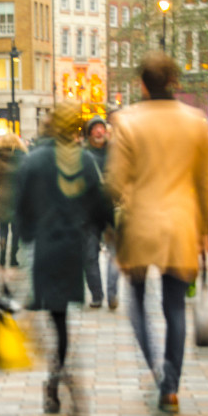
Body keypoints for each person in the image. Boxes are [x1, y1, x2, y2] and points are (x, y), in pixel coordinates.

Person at [106, 52, 208, 414]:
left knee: (136, 300)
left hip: (140, 223)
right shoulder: (196, 122)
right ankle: (171, 385)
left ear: (141, 84)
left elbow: (117, 181)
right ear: (174, 82)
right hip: (182, 224)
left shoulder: (126, 120)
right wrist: (207, 228)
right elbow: (204, 183)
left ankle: (154, 365)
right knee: (174, 309)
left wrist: (108, 221)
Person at [15, 98, 111, 416]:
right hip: (72, 250)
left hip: (43, 250)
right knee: (60, 322)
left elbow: (21, 211)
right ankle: (56, 383)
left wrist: (20, 248)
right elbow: (101, 206)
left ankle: (60, 383)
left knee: (48, 321)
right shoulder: (84, 160)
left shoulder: (34, 160)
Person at [81, 115, 120, 309]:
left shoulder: (116, 152)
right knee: (89, 256)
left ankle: (112, 294)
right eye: (94, 129)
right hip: (88, 213)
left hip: (112, 210)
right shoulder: (81, 155)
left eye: (101, 128)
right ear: (89, 134)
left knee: (114, 254)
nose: (99, 131)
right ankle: (97, 295)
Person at [0, 134, 27, 267]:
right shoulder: (23, 158)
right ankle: (13, 257)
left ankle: (2, 253)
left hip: (1, 196)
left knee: (3, 227)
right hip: (18, 197)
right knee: (16, 229)